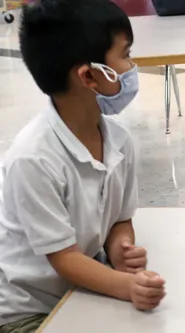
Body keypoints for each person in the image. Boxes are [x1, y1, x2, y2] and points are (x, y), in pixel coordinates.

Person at [0, 0, 166, 331]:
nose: (132, 68)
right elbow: (65, 259)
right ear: (89, 76)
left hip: (85, 292)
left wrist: (121, 247)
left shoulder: (117, 139)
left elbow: (120, 218)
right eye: (125, 56)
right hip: (31, 312)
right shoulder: (33, 158)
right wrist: (127, 286)